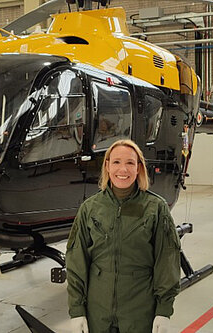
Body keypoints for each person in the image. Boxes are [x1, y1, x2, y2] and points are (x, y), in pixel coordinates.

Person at [66, 139, 181, 333]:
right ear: (107, 166)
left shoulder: (156, 208)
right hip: (98, 311)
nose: (123, 169)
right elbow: (77, 261)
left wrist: (163, 310)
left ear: (139, 168)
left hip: (139, 311)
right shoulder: (90, 208)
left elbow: (167, 260)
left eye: (130, 163)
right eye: (117, 162)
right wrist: (77, 309)